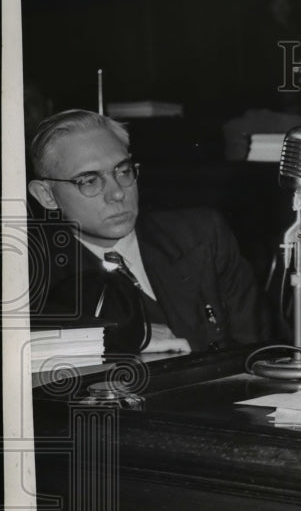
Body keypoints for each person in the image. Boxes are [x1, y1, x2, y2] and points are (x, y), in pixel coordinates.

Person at [27, 109, 270, 353]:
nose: (118, 193)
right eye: (89, 181)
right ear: (46, 195)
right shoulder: (32, 273)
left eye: (123, 171)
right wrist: (121, 339)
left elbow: (258, 347)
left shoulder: (201, 236)